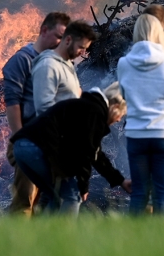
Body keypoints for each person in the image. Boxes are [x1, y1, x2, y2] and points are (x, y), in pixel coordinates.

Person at [10, 85, 132, 215]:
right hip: (35, 148)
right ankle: (63, 234)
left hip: (21, 147)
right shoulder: (94, 112)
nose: (119, 119)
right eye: (121, 114)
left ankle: (45, 232)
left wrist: (120, 181)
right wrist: (83, 186)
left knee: (54, 194)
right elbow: (86, 153)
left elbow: (96, 154)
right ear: (115, 107)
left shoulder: (89, 106)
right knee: (72, 195)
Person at [117, 14, 164, 215]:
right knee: (162, 192)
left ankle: (135, 241)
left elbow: (123, 95)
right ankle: (160, 243)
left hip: (136, 134)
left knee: (139, 192)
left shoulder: (124, 63)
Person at [1, 11, 70, 216]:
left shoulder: (58, 62)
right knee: (26, 200)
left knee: (50, 200)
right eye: (58, 36)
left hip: (53, 140)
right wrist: (21, 139)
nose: (61, 42)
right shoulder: (22, 60)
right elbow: (12, 104)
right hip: (29, 139)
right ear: (44, 30)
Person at [31, 21, 96, 115]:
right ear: (69, 40)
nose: (82, 52)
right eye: (80, 47)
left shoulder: (67, 64)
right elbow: (43, 107)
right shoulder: (48, 65)